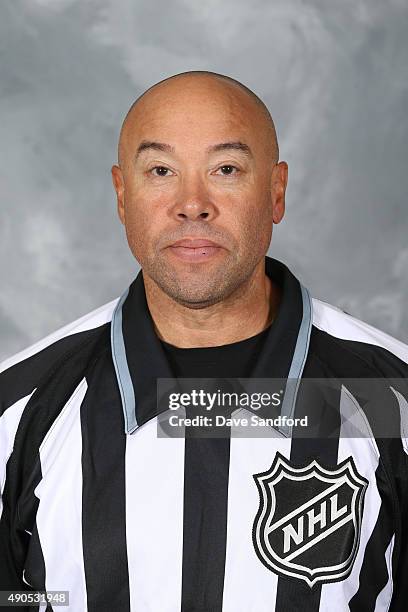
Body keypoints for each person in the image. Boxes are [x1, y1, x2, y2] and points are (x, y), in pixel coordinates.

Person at [0, 70, 407, 612]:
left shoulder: (391, 398)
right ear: (123, 195)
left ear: (276, 192)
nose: (192, 204)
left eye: (226, 169)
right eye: (162, 170)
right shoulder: (18, 410)